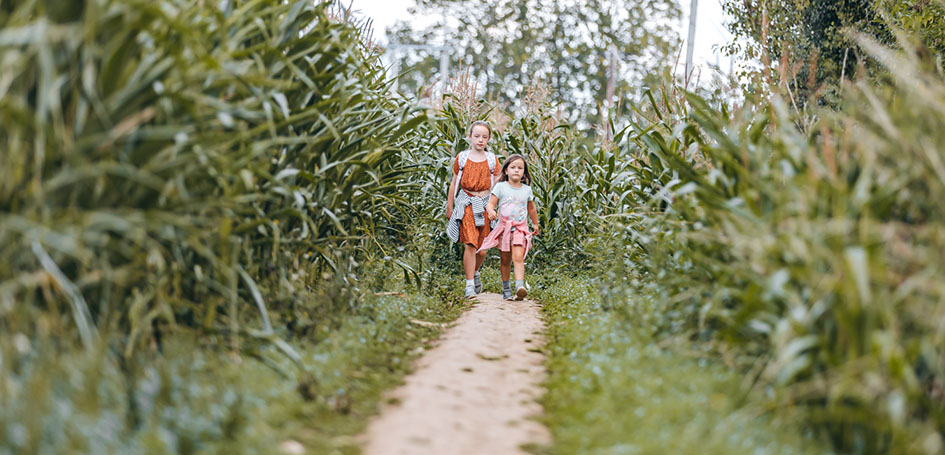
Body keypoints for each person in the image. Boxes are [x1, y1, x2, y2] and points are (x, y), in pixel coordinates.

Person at [445, 121, 500, 298]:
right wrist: (449, 206)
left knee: (483, 249)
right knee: (470, 244)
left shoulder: (492, 160)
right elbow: (454, 183)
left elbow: (498, 187)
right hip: (467, 202)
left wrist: (495, 207)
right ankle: (469, 285)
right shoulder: (462, 158)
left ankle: (475, 272)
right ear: (470, 137)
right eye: (476, 136)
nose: (480, 140)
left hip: (485, 204)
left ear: (489, 139)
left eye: (484, 137)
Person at [478, 154, 539, 300]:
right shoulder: (501, 187)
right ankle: (506, 289)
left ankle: (519, 286)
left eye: (520, 168)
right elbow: (490, 204)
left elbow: (532, 208)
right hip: (504, 229)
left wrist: (535, 223)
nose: (516, 170)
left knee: (518, 257)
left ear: (524, 173)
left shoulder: (526, 190)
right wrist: (491, 211)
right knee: (505, 260)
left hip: (520, 229)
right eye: (513, 167)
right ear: (506, 171)